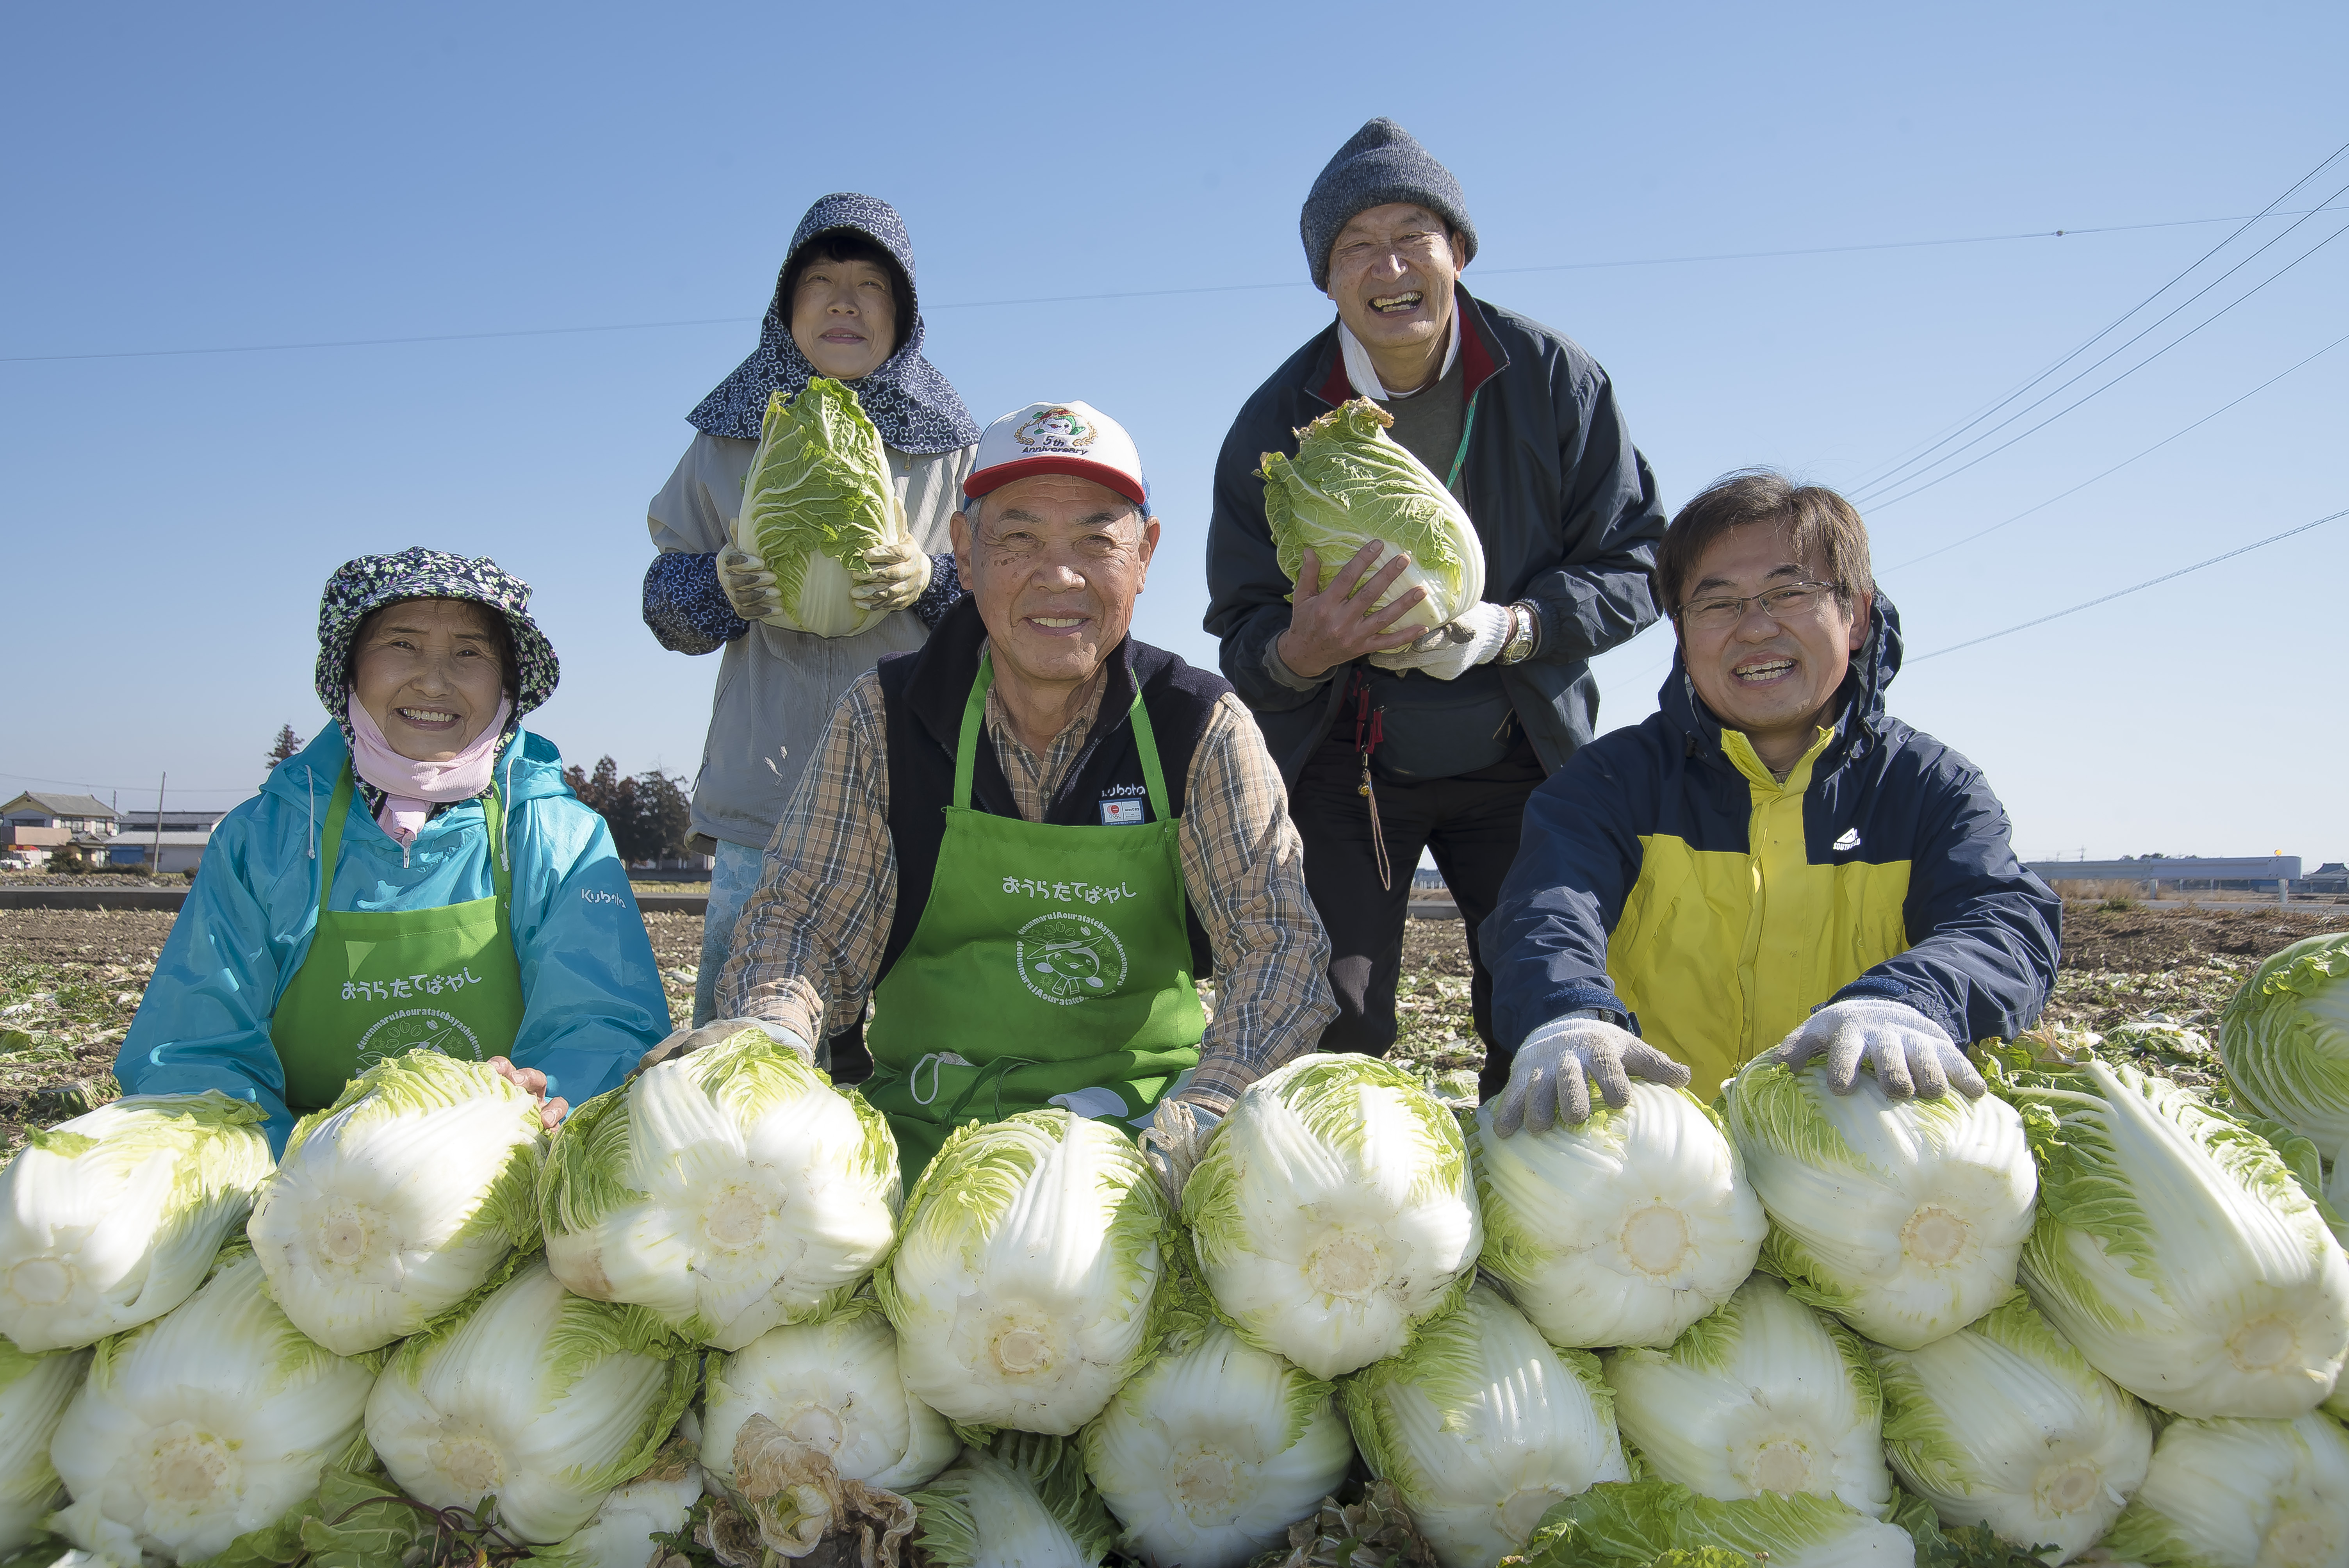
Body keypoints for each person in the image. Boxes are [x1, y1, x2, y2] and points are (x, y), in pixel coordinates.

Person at [678, 401, 1336, 1188]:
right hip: (924, 1148)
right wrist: (770, 1037)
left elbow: (1278, 944)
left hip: (1138, 1153)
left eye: (1096, 540)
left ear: (1145, 554)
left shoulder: (1197, 724)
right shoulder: (884, 716)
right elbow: (808, 921)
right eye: (1017, 538)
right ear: (963, 549)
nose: (1058, 576)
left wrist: (1202, 1117)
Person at [1202, 118, 1666, 1094]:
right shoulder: (1273, 418)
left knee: (1538, 999)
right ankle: (1340, 1208)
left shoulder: (1552, 382)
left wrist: (1513, 627)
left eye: (1413, 233)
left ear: (1458, 250)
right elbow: (1240, 632)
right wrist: (1302, 651)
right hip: (1349, 766)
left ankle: (1533, 1200)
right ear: (1326, 281)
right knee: (1338, 1012)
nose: (1389, 265)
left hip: (1520, 750)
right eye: (1354, 247)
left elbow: (1641, 561)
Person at [1478, 472, 2062, 1134]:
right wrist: (1568, 1010)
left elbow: (2004, 920)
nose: (1755, 629)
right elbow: (1544, 913)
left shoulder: (1930, 787)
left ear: (1857, 616)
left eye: (1788, 593)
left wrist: (1907, 1000)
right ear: (1682, 632)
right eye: (1718, 604)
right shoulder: (1607, 785)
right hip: (1659, 1169)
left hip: (1858, 1167)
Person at [116, 548, 671, 1152]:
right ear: (349, 672)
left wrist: (549, 1099)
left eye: (469, 652)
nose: (434, 680)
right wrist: (292, 1169)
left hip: (501, 1167)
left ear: (508, 683)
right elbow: (195, 1048)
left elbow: (605, 1029)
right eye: (402, 645)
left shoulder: (560, 838)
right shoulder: (264, 839)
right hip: (294, 1173)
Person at [642, 192, 981, 1064]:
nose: (843, 302)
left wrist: (932, 582)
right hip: (766, 787)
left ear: (902, 317)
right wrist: (717, 585)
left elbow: (999, 614)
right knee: (740, 1035)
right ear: (783, 309)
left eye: (870, 286)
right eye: (820, 283)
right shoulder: (725, 441)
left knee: (909, 1037)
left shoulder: (951, 448)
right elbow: (663, 603)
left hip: (911, 785)